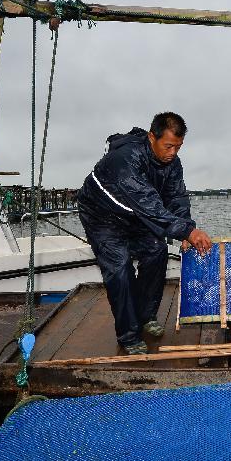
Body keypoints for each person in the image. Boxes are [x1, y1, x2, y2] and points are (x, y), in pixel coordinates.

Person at [78, 112, 212, 355]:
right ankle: (129, 336)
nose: (173, 152)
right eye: (168, 146)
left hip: (135, 214)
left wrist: (185, 228)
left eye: (178, 147)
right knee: (120, 270)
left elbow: (176, 197)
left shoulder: (173, 164)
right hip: (103, 217)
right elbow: (149, 204)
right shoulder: (125, 159)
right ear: (152, 137)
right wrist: (189, 232)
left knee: (157, 250)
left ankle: (146, 315)